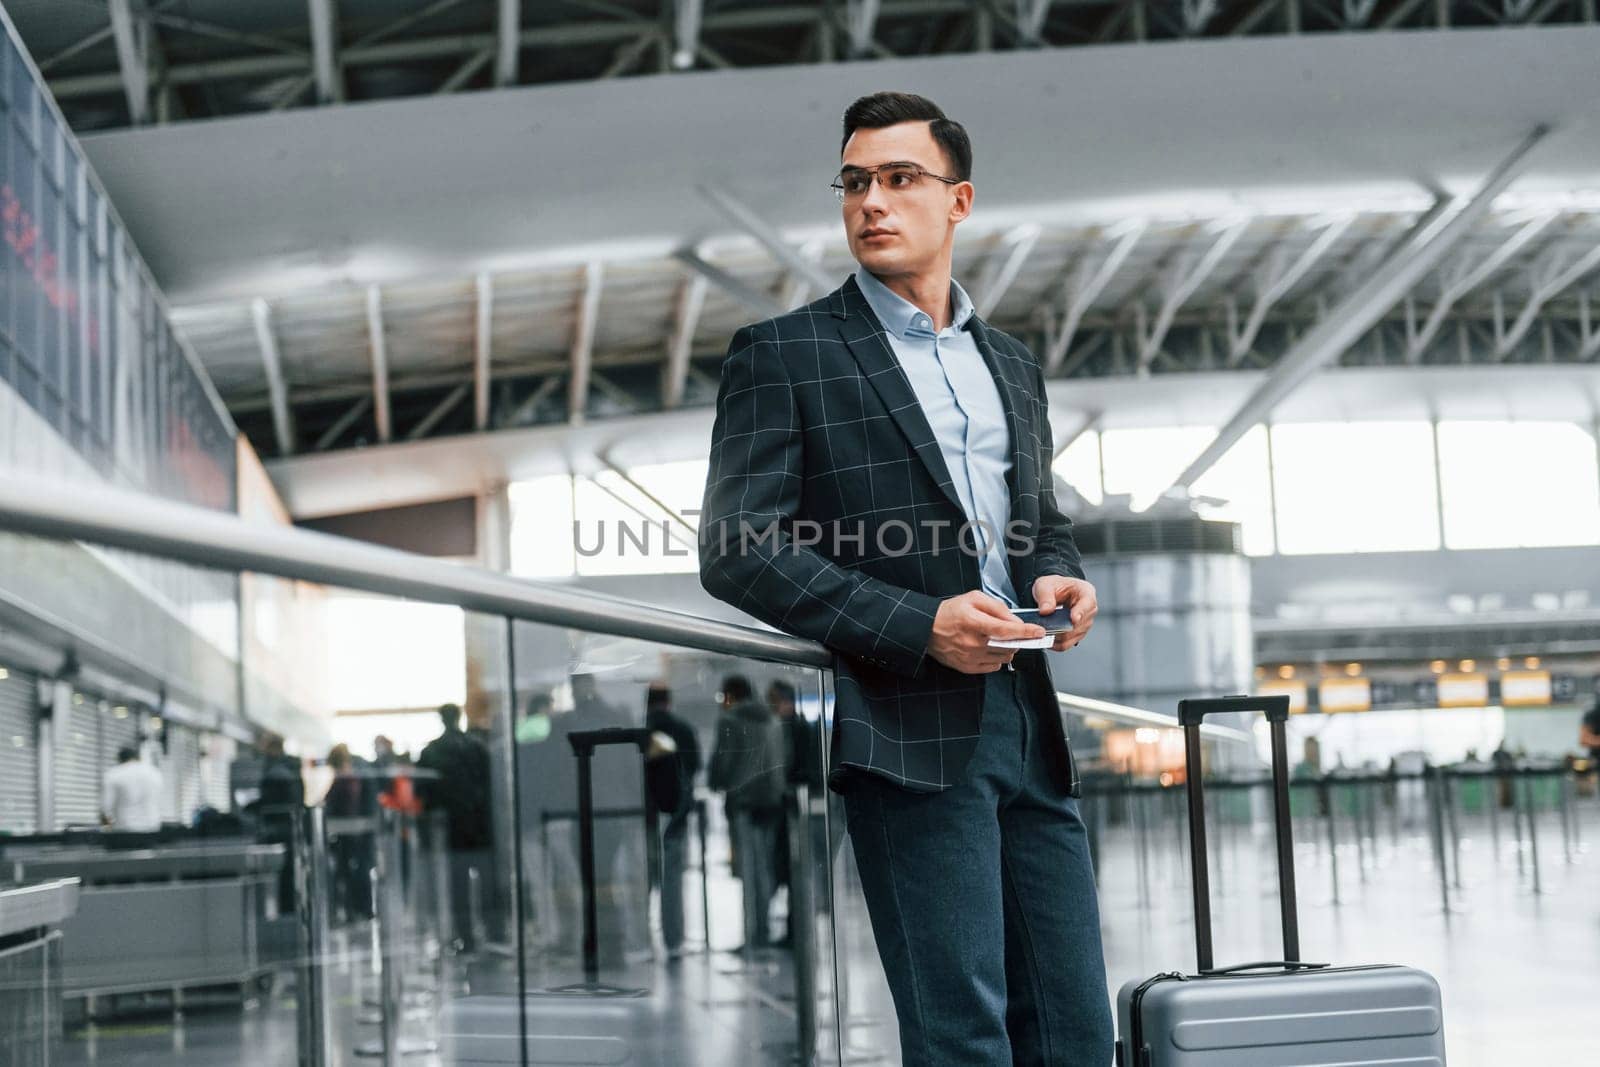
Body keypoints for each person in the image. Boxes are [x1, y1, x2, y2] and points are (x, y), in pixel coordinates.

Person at [698, 92, 1109, 1063]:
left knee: (1074, 1023)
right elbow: (735, 543)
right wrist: (918, 621)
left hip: (1027, 718)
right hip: (905, 728)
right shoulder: (785, 355)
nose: (870, 201)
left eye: (898, 178)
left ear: (958, 200)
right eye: (854, 182)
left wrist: (1061, 577)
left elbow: (1038, 524)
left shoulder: (1008, 364)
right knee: (959, 1030)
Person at [707, 674, 787, 952]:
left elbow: (724, 761)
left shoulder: (730, 721)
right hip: (772, 802)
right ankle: (763, 932)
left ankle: (753, 936)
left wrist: (716, 781)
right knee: (764, 869)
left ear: (730, 695)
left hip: (744, 803)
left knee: (749, 871)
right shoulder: (772, 719)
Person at [416, 703, 492, 951]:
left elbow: (423, 795)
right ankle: (491, 933)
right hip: (479, 828)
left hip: (452, 829)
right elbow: (490, 787)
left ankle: (466, 936)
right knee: (485, 882)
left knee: (457, 887)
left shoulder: (433, 751)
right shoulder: (477, 748)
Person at [642, 683, 702, 959]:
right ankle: (674, 939)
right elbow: (695, 766)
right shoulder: (683, 728)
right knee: (673, 877)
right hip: (677, 811)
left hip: (644, 813)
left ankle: (643, 939)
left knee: (645, 877)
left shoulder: (641, 731)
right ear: (668, 702)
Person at [101, 745, 163, 832]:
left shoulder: (113, 774)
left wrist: (106, 830)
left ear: (119, 759)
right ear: (138, 758)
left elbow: (105, 808)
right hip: (152, 829)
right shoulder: (154, 773)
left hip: (124, 830)